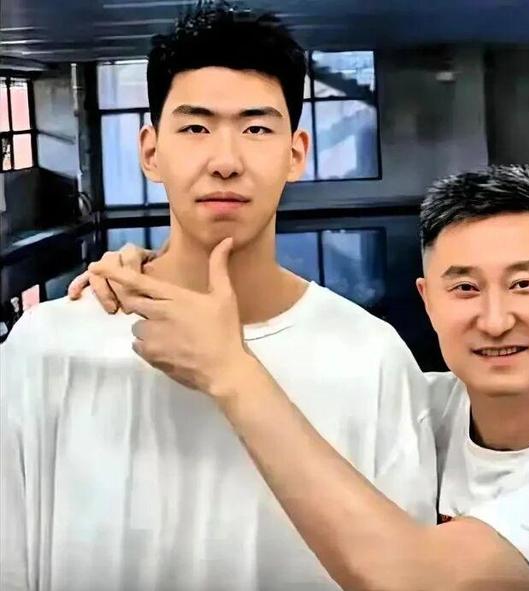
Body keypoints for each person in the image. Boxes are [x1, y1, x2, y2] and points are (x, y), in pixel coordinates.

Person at [0, 4, 438, 591]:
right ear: (151, 151)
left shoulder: (370, 358)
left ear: (296, 153)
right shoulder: (49, 347)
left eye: (256, 129)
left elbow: (408, 571)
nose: (226, 162)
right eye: (195, 128)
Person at [83, 165, 529, 591]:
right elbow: (283, 395)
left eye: (524, 285)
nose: (494, 319)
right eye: (464, 288)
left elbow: (417, 581)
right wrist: (151, 276)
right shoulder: (415, 402)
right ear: (427, 301)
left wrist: (230, 372)